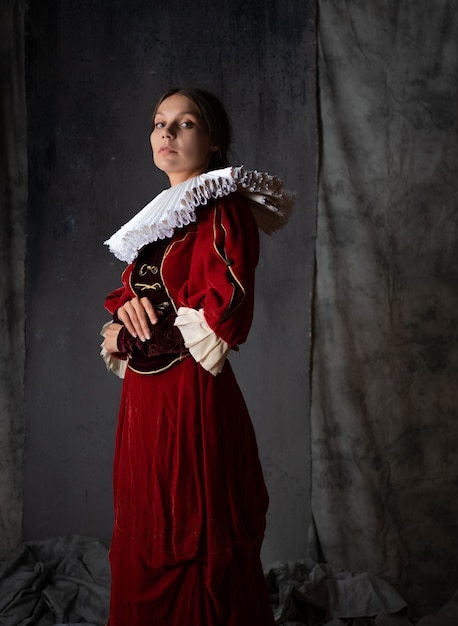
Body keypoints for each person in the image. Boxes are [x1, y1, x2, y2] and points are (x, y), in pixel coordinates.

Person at [101, 87, 294, 626]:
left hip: (188, 397)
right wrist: (122, 319)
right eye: (160, 122)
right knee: (142, 529)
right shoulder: (160, 222)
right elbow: (134, 299)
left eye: (185, 124)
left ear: (212, 142)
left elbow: (221, 319)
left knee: (188, 531)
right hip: (144, 401)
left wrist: (127, 335)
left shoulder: (222, 208)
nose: (167, 132)